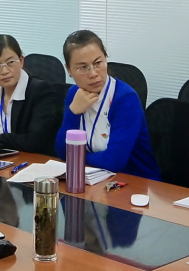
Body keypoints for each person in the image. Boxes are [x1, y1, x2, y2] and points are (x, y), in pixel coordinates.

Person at [53, 30, 160, 180]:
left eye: (98, 63)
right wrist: (72, 113)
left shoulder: (125, 99)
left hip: (135, 182)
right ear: (69, 70)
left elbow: (114, 161)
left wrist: (75, 156)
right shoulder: (73, 94)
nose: (93, 73)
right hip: (92, 179)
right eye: (82, 67)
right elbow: (61, 151)